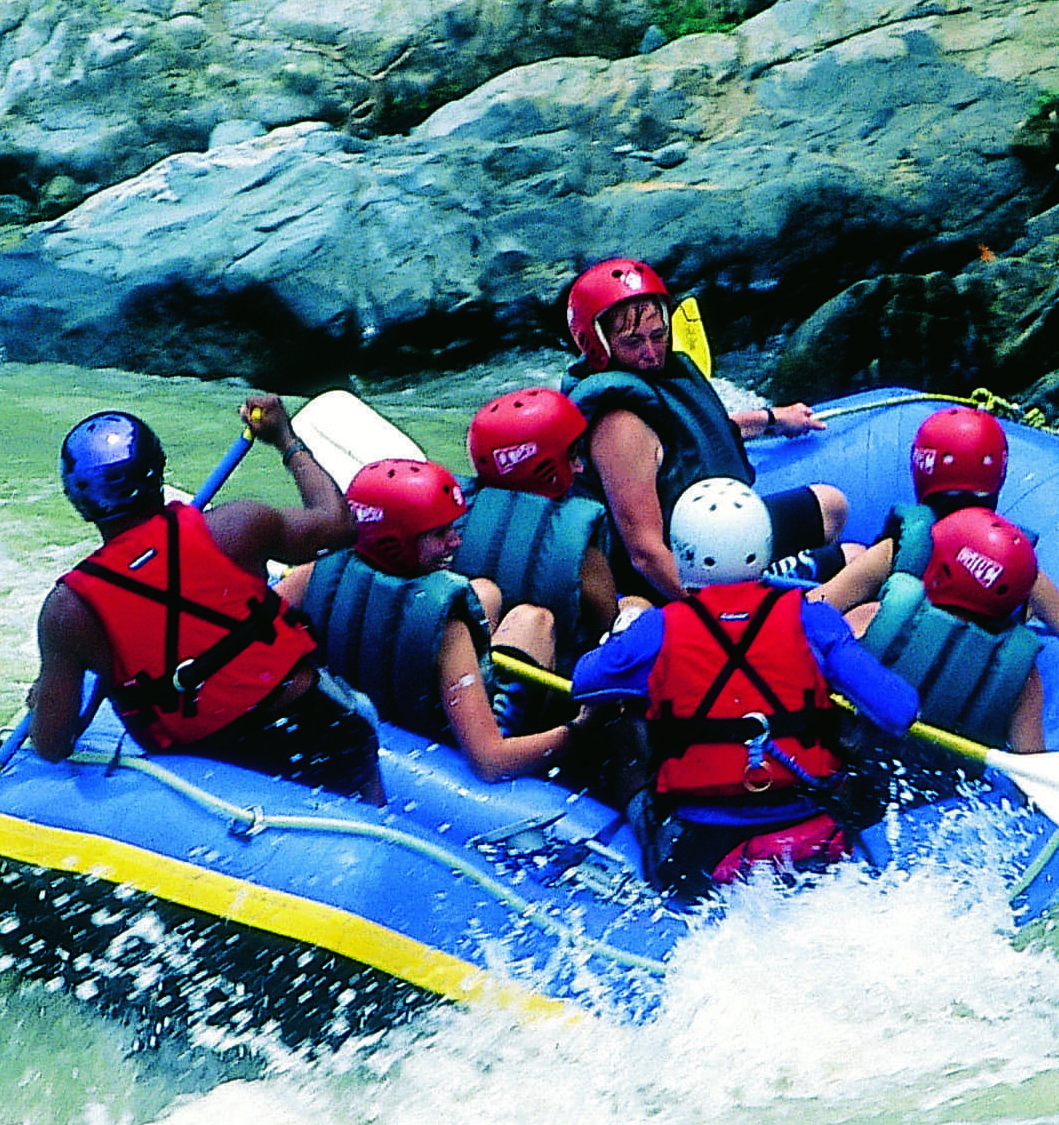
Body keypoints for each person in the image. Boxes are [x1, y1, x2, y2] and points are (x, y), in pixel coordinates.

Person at [570, 479, 923, 901]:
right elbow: (899, 711)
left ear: (681, 550)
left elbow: (584, 683)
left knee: (625, 729)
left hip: (703, 851)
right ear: (765, 543)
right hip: (808, 828)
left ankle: (639, 861)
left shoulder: (655, 630)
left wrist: (624, 633)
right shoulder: (813, 620)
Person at [30, 397, 382, 801]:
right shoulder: (237, 526)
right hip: (320, 733)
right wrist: (285, 439)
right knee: (355, 721)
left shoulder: (68, 612)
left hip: (209, 768)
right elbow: (340, 525)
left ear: (78, 501)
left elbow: (52, 745)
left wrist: (42, 698)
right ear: (158, 469)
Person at [819, 404, 1059, 680]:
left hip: (878, 711)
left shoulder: (895, 551)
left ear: (922, 469)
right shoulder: (1018, 572)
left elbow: (807, 614)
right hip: (968, 720)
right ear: (997, 477)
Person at [561, 257, 847, 608]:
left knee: (831, 507)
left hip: (712, 534)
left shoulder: (656, 380)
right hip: (680, 566)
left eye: (658, 335)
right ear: (596, 343)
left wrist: (773, 418)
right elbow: (645, 553)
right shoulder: (619, 426)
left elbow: (693, 438)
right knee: (849, 554)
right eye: (633, 341)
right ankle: (770, 580)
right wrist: (715, 615)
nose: (651, 353)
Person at [279, 458, 567, 782]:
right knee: (535, 620)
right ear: (394, 541)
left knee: (485, 592)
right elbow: (490, 762)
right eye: (440, 533)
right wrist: (579, 730)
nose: (455, 541)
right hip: (444, 733)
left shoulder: (314, 573)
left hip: (365, 697)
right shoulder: (449, 631)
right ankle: (510, 717)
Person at [850, 504, 1050, 772]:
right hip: (940, 792)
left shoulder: (872, 616)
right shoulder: (1024, 678)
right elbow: (1030, 768)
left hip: (847, 771)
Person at [449, 385, 621, 671]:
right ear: (540, 465)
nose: (579, 467)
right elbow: (609, 630)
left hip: (475, 665)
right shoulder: (581, 549)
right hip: (559, 677)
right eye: (571, 456)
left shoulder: (450, 523)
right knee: (636, 606)